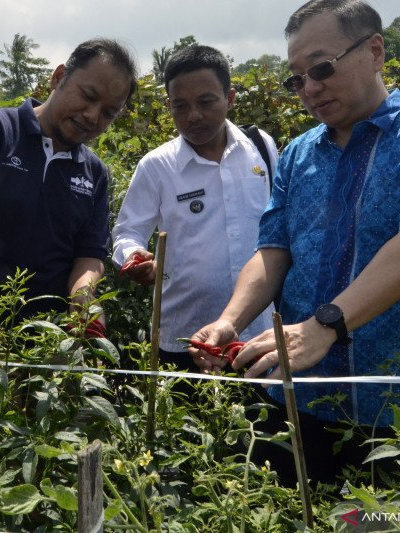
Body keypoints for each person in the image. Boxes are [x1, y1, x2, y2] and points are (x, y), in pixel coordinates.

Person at [190, 0, 400, 485]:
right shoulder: (301, 153)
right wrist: (228, 320)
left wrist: (325, 325)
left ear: (375, 51)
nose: (310, 88)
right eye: (296, 78)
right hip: (299, 398)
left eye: (321, 68)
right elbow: (273, 251)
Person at [0, 39, 138, 327]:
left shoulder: (94, 172)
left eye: (109, 112)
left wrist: (83, 294)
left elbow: (90, 253)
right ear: (59, 77)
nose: (92, 116)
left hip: (44, 344)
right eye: (87, 96)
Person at [112, 44, 277, 371]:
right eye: (181, 106)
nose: (194, 116)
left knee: (264, 422)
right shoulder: (156, 167)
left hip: (259, 334)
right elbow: (128, 231)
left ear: (229, 99)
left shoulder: (261, 148)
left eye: (205, 102)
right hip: (185, 340)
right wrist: (134, 257)